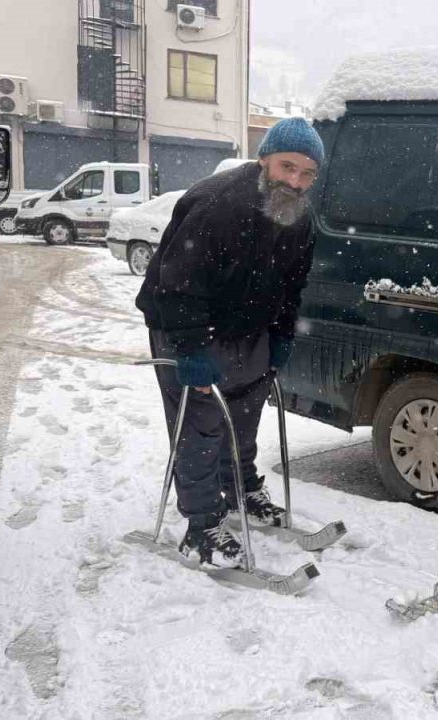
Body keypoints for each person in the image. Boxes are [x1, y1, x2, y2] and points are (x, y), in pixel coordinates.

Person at [135, 117, 323, 568]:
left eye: (307, 173)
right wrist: (192, 351)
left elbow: (292, 286)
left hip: (248, 326)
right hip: (186, 323)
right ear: (264, 160)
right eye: (287, 167)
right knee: (200, 421)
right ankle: (202, 525)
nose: (296, 181)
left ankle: (239, 489)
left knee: (244, 413)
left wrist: (282, 335)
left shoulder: (300, 219)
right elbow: (178, 285)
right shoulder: (217, 204)